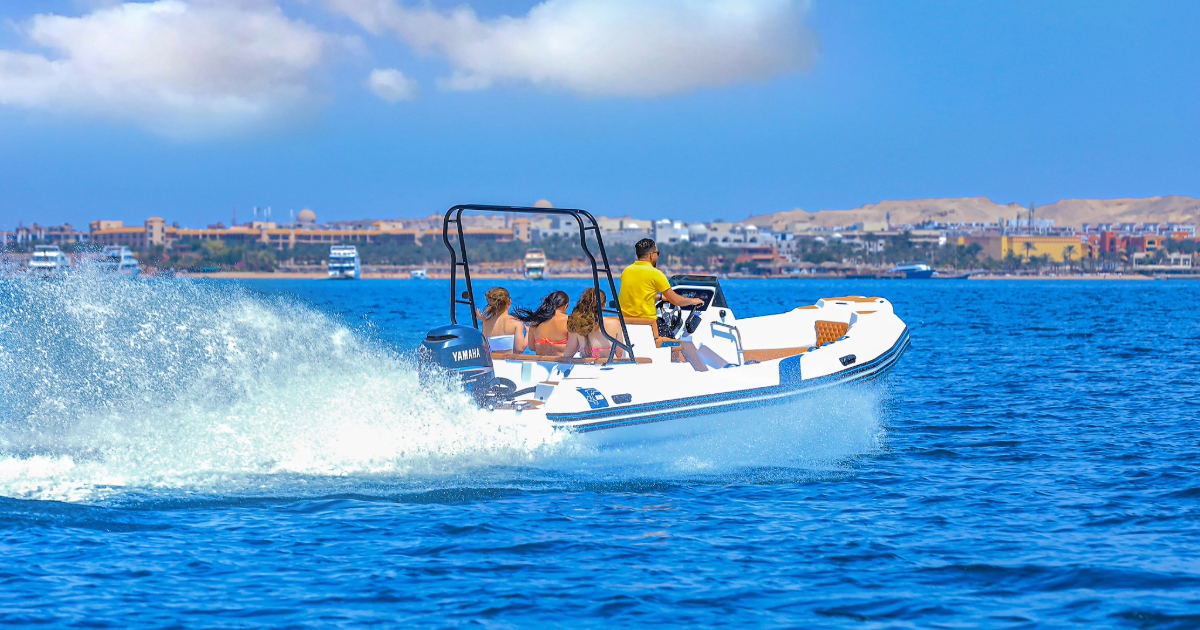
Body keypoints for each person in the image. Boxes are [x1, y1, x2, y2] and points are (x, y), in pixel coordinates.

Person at [618, 238, 703, 338]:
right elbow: (676, 301)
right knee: (676, 345)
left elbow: (638, 294)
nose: (657, 256)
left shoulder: (626, 271)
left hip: (626, 323)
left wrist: (660, 298)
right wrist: (694, 301)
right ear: (651, 255)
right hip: (647, 324)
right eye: (657, 253)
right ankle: (676, 352)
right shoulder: (656, 274)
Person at [564, 288, 625, 360]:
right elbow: (619, 354)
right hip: (609, 366)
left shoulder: (578, 324)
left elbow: (568, 354)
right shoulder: (615, 324)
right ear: (604, 306)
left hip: (588, 366)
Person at [514, 290, 570, 355]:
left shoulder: (536, 320)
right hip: (562, 363)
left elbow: (532, 348)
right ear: (565, 306)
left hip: (540, 362)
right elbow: (572, 349)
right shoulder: (568, 320)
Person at [477, 287, 526, 354]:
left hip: (494, 362)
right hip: (511, 362)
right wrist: (528, 332)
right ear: (509, 302)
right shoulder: (516, 323)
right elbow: (520, 349)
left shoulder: (486, 323)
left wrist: (485, 321)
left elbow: (485, 348)